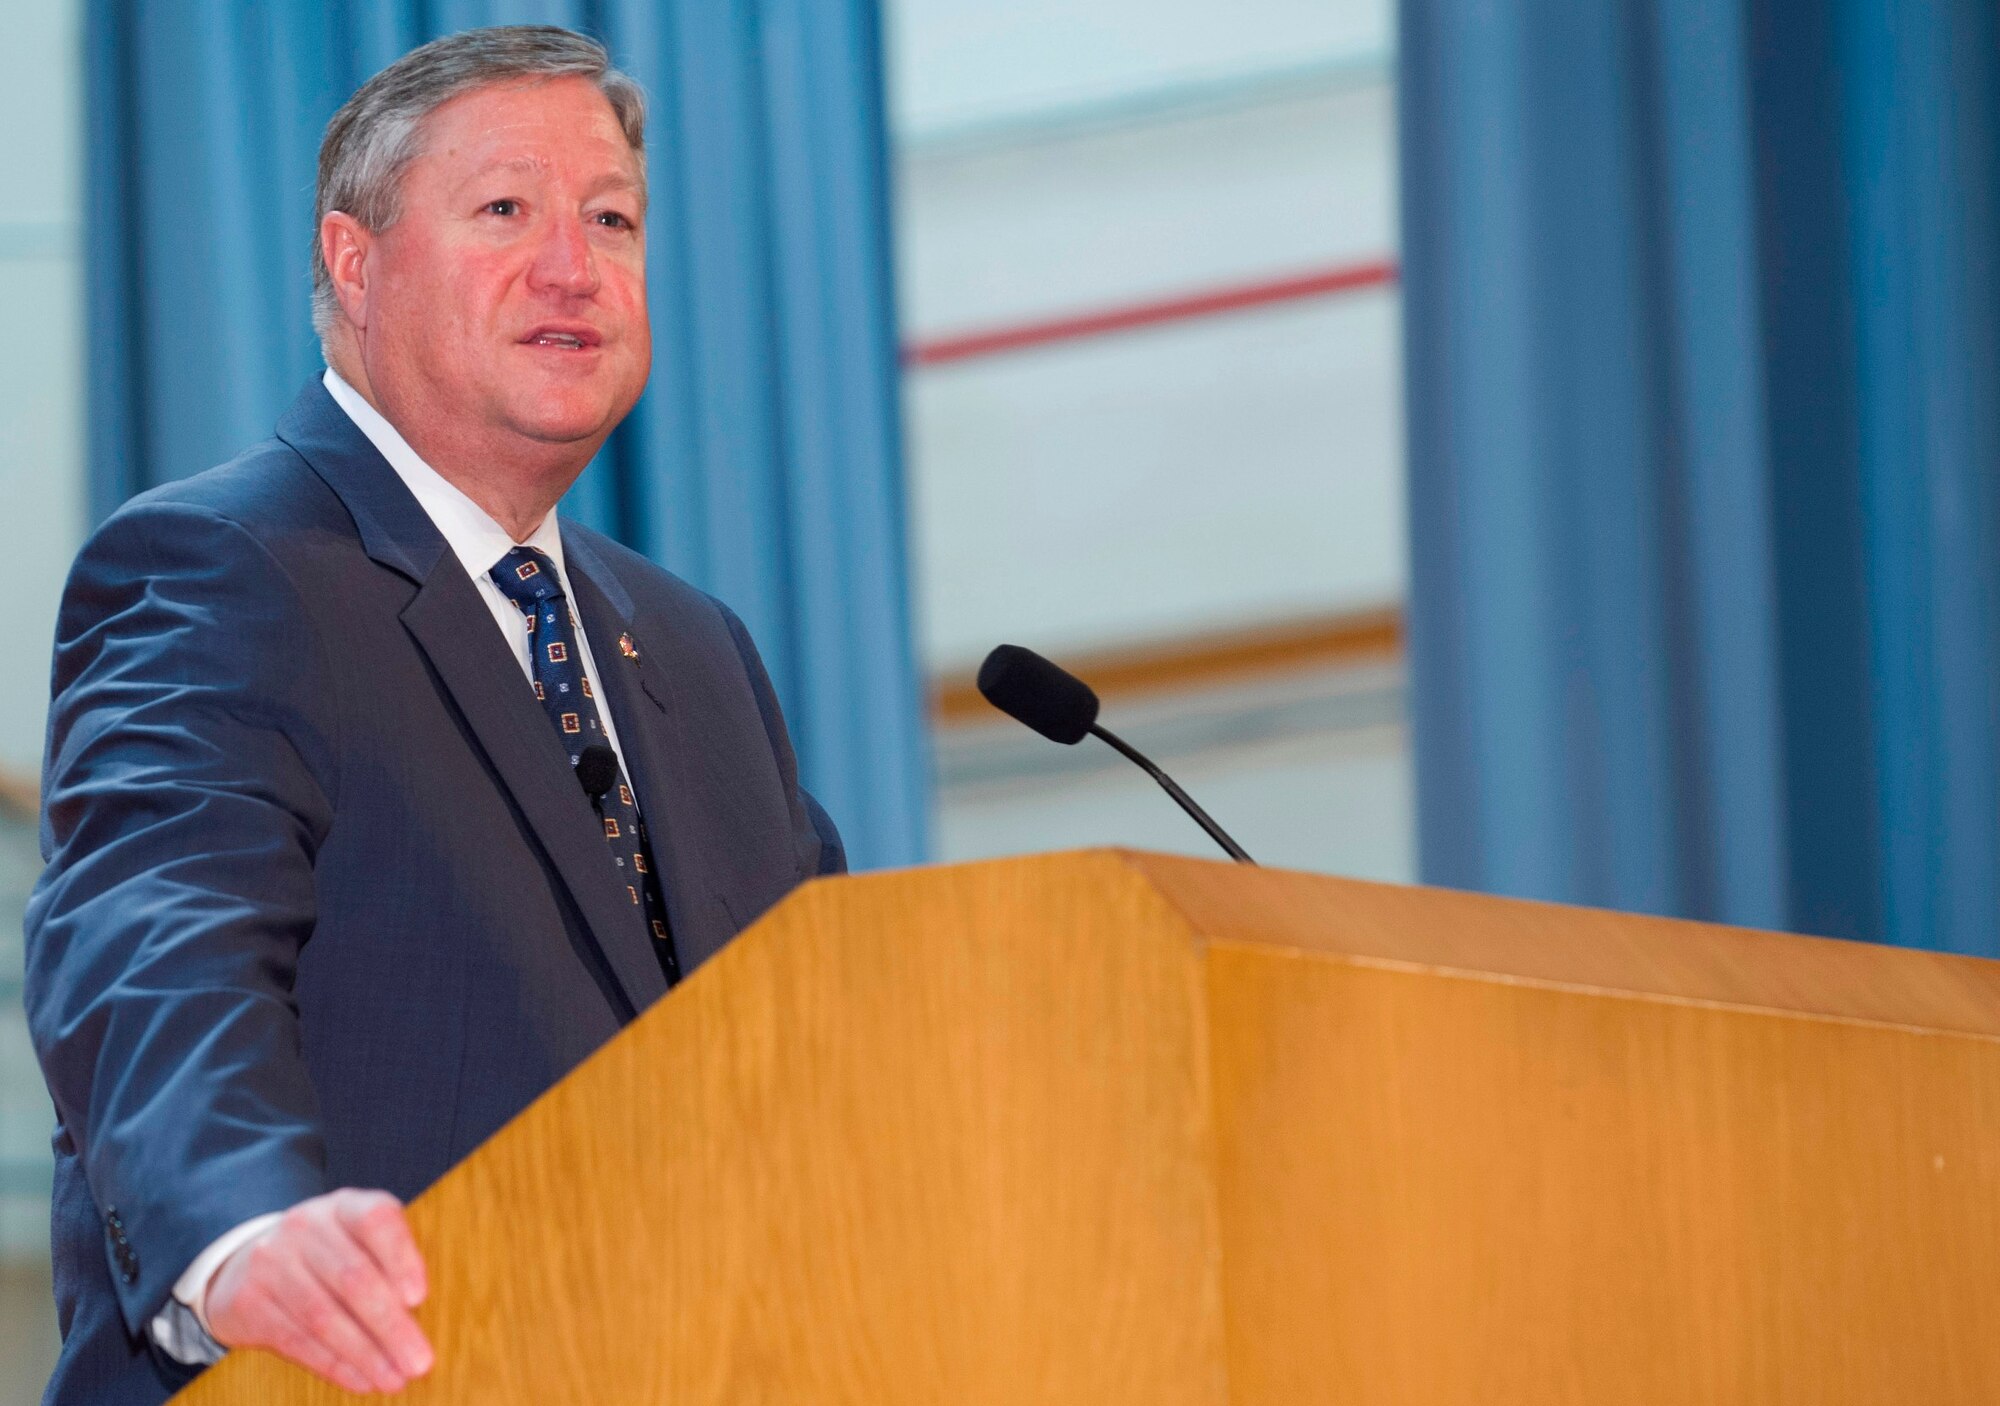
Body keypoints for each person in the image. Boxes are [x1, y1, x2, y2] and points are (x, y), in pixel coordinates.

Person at [24, 26, 843, 1404]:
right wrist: (242, 1225)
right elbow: (153, 936)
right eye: (508, 209)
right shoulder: (226, 564)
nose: (574, 266)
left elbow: (839, 1030)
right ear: (355, 262)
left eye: (612, 217)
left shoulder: (699, 652)